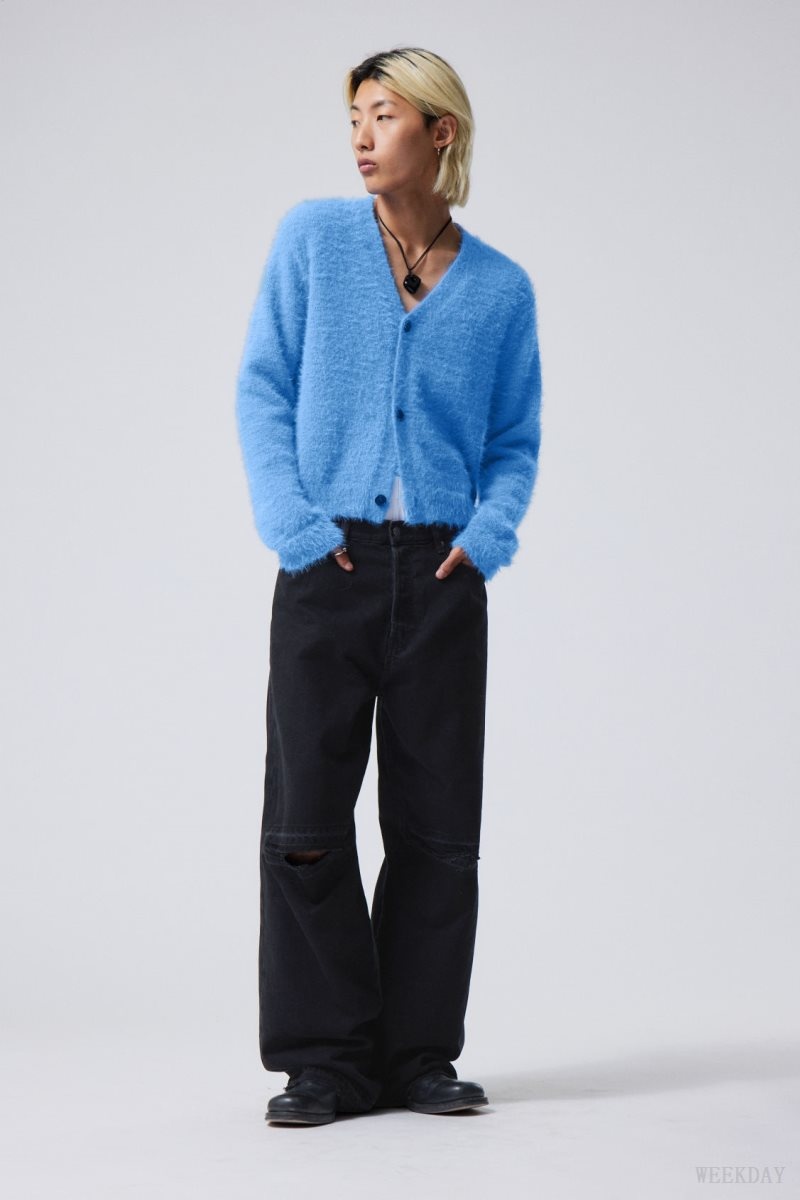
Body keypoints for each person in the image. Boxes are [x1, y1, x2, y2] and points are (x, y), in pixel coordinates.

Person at [235, 46, 543, 1126]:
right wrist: (293, 525)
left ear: (439, 131)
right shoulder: (314, 241)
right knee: (306, 816)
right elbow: (263, 387)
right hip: (330, 563)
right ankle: (324, 1060)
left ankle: (416, 1055)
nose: (362, 136)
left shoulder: (500, 289)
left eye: (383, 115)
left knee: (437, 826)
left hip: (445, 572)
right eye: (354, 117)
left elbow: (513, 439)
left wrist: (489, 535)